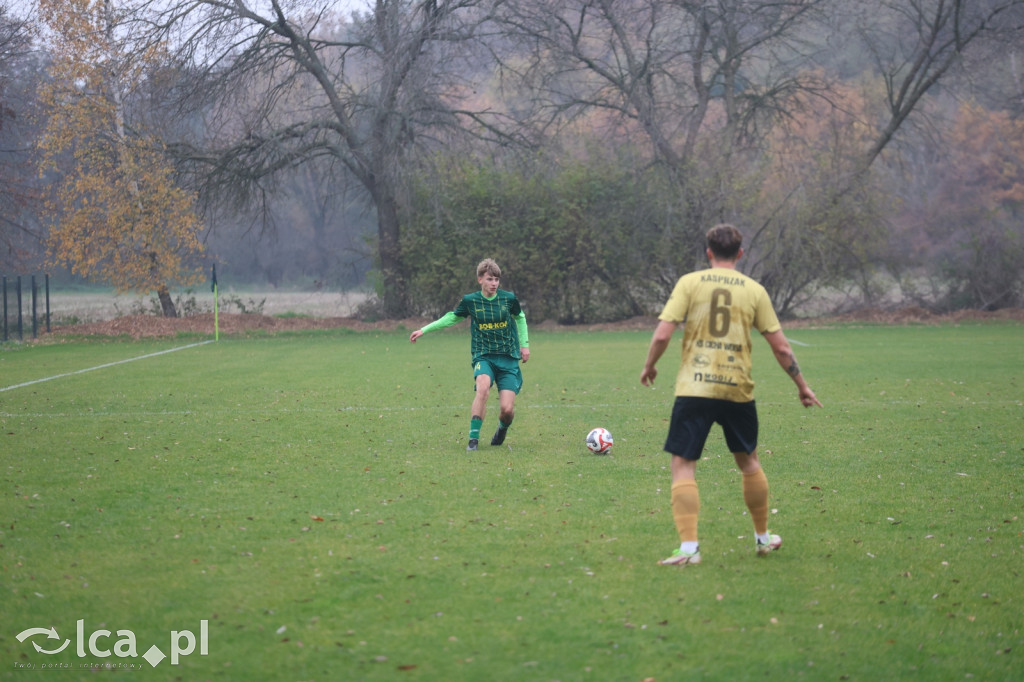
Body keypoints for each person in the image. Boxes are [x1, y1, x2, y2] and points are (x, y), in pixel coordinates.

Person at [640, 224, 821, 566]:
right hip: (737, 387)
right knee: (749, 461)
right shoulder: (754, 290)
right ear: (740, 253)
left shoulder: (689, 283)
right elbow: (781, 347)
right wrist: (802, 386)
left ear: (708, 252)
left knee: (683, 464)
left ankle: (689, 549)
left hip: (695, 386)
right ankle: (763, 538)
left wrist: (649, 366)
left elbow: (663, 334)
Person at [410, 258, 530, 451]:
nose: (494, 283)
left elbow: (520, 317)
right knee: (482, 388)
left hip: (508, 358)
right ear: (480, 279)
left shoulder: (508, 299)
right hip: (484, 356)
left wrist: (524, 345)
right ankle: (473, 440)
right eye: (490, 279)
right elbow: (451, 317)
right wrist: (424, 330)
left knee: (507, 410)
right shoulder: (471, 301)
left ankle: (502, 428)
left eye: (497, 279)